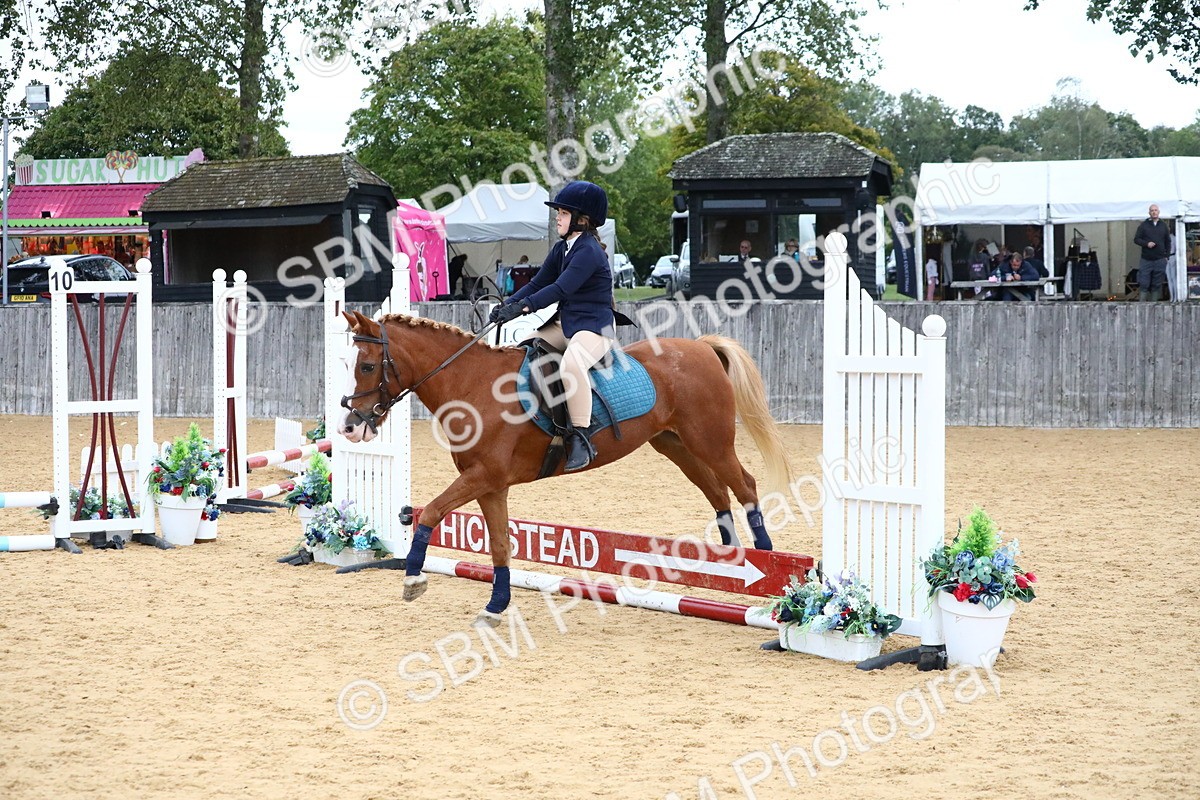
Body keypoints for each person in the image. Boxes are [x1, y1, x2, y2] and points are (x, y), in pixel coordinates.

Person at [489, 180, 615, 472]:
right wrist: (508, 303)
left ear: (582, 219)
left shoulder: (589, 251)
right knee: (522, 350)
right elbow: (537, 282)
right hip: (566, 322)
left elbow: (559, 289)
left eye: (563, 212)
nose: (557, 217)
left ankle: (582, 436)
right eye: (558, 211)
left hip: (595, 327)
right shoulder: (563, 249)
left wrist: (522, 308)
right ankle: (548, 424)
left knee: (572, 364)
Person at [1134, 204, 1171, 301]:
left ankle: (1154, 306)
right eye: (1152, 210)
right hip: (1146, 259)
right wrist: (1146, 244)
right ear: (1149, 212)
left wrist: (1167, 256)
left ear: (1159, 212)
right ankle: (1142, 307)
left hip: (1160, 259)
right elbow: (1136, 239)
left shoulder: (1163, 226)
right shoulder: (1143, 225)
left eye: (1155, 210)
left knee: (1157, 284)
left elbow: (1168, 241)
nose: (1154, 212)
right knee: (1144, 283)